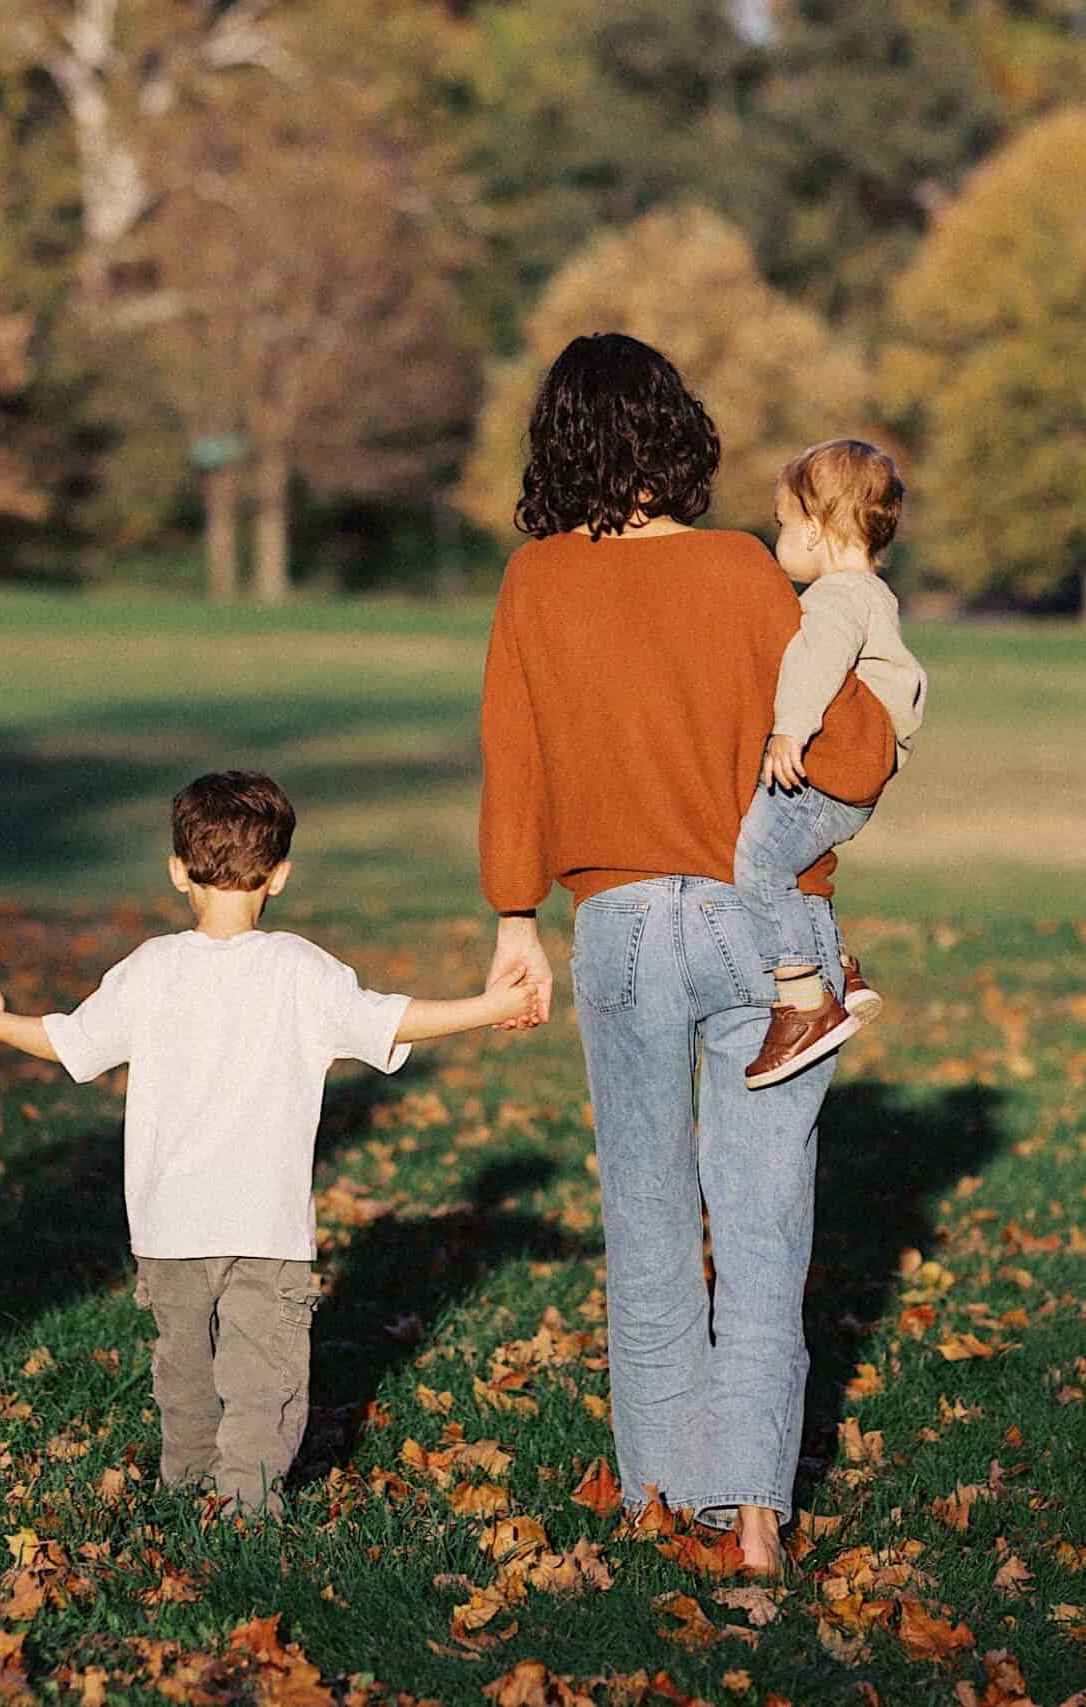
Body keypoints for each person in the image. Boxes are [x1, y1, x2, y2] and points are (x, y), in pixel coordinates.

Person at [477, 333, 896, 1576]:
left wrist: (515, 920)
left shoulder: (532, 585)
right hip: (763, 935)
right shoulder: (744, 575)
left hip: (614, 932)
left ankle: (661, 1502)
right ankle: (756, 1518)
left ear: (556, 444)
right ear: (678, 435)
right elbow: (855, 752)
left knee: (646, 1216)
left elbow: (518, 766)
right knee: (763, 1227)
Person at [0, 771, 538, 1513]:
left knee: (186, 1374)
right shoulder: (301, 969)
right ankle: (245, 1509)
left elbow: (68, 1042)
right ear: (281, 876)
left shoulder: (150, 969)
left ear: (177, 870)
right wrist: (492, 1004)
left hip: (168, 1229)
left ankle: (186, 1490)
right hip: (266, 1231)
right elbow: (392, 1021)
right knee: (263, 1379)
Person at [734, 438, 929, 1089]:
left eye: (784, 523)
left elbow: (816, 660)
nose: (779, 536)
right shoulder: (873, 591)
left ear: (816, 530)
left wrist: (789, 729)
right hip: (861, 780)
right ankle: (837, 966)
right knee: (798, 865)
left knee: (759, 861)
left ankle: (803, 1001)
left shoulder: (838, 597)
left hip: (834, 771)